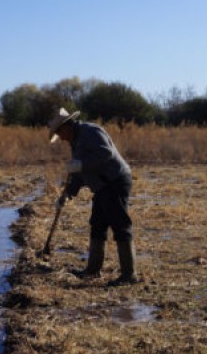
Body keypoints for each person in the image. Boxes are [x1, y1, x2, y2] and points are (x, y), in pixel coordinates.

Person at [47, 108, 139, 285]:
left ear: (67, 126)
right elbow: (80, 175)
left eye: (59, 132)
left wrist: (81, 164)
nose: (61, 138)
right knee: (97, 225)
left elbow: (105, 153)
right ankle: (92, 270)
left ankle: (129, 275)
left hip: (115, 181)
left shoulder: (91, 132)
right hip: (102, 187)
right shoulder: (75, 141)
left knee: (120, 226)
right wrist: (67, 195)